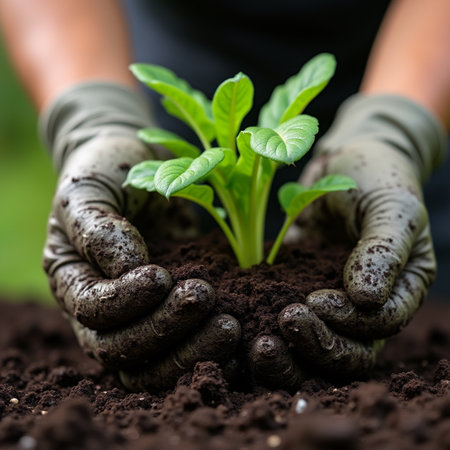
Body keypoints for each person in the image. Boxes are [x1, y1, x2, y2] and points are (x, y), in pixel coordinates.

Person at [0, 0, 448, 391]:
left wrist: (395, 129)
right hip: (166, 51)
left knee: (395, 294)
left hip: (420, 91)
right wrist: (94, 118)